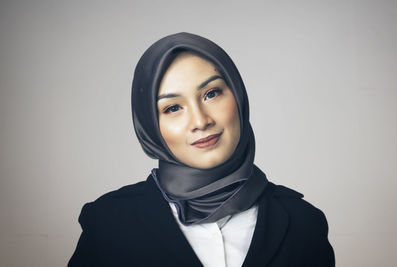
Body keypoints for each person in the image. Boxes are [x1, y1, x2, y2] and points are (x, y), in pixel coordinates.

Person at [68, 32, 335, 267]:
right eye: (173, 108)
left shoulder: (304, 223)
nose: (200, 121)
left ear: (238, 96)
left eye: (211, 94)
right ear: (150, 125)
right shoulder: (109, 224)